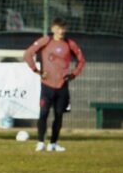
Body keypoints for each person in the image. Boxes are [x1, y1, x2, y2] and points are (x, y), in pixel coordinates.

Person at [23, 17, 85, 152]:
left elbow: (81, 61)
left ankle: (53, 143)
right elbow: (28, 54)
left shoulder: (70, 44)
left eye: (63, 28)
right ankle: (40, 142)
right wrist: (36, 70)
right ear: (53, 29)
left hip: (62, 85)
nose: (61, 31)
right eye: (58, 28)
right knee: (43, 113)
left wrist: (73, 74)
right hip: (47, 85)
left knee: (59, 114)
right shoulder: (46, 41)